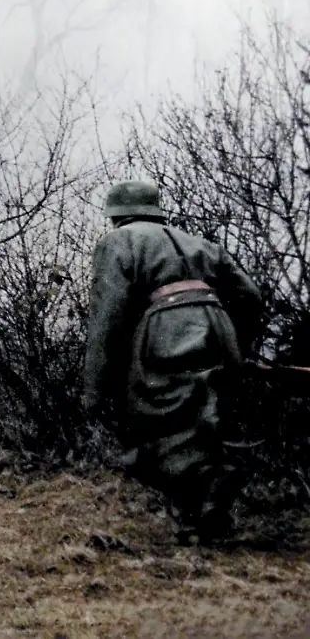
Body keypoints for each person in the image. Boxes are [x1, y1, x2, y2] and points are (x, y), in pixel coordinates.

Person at [85, 180, 265, 544]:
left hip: (165, 329)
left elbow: (108, 316)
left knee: (157, 419)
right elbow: (250, 296)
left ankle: (192, 515)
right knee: (211, 416)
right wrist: (236, 345)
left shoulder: (118, 242)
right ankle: (209, 508)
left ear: (116, 215)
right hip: (218, 326)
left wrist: (95, 386)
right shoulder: (197, 242)